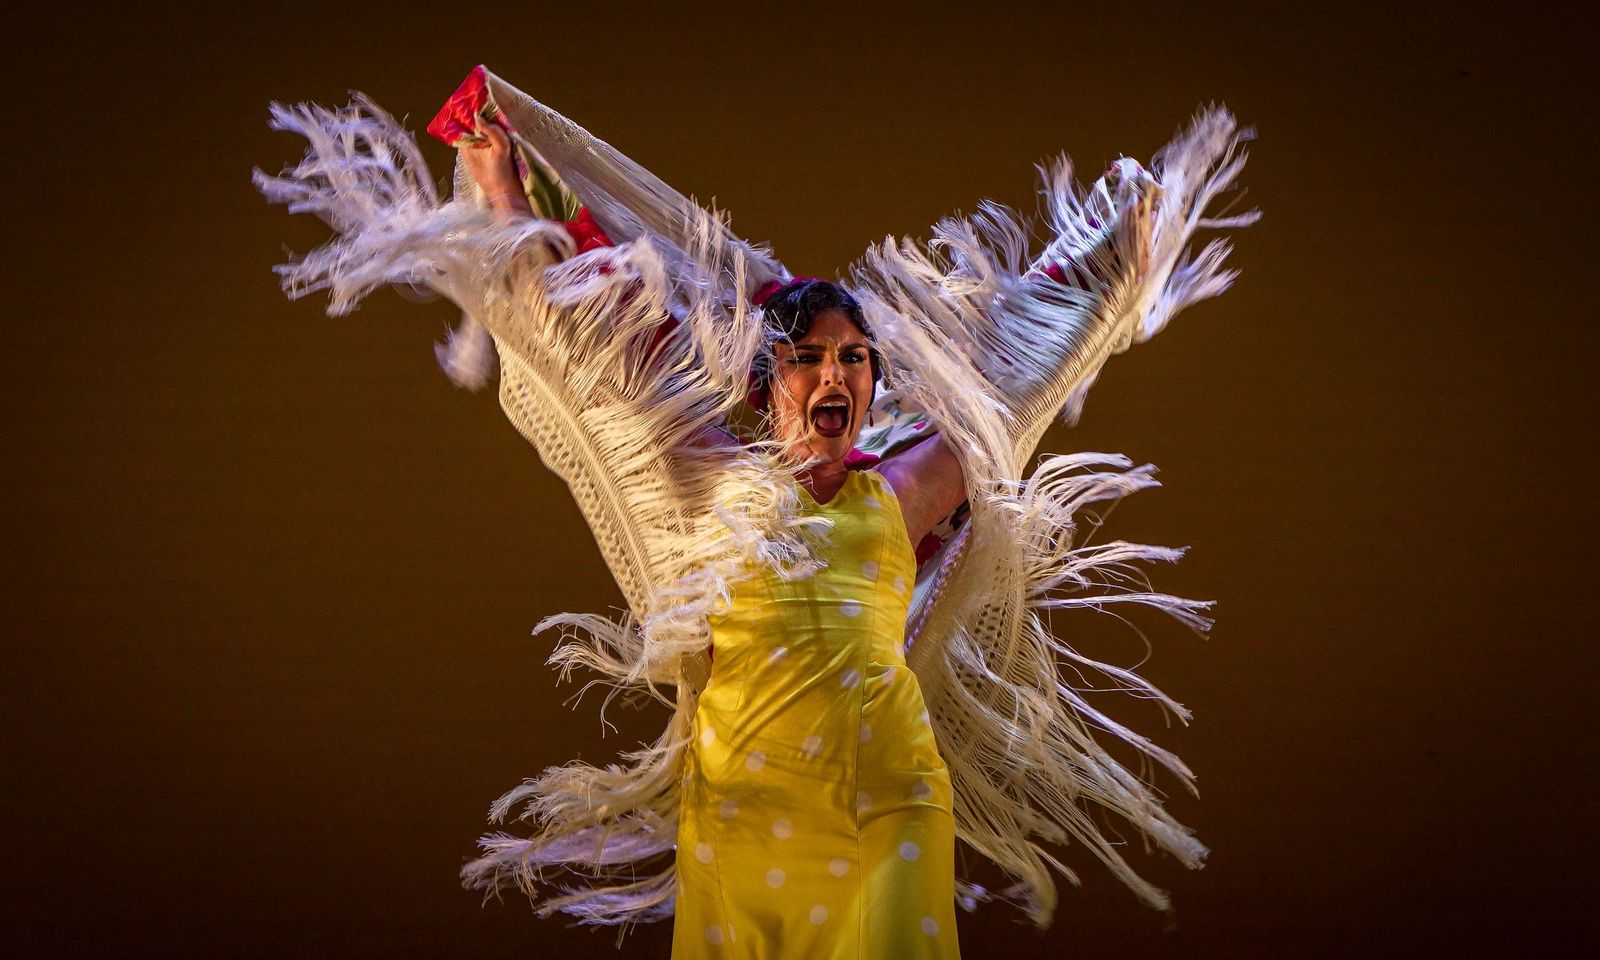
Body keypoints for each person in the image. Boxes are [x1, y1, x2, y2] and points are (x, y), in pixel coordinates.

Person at [257, 65, 1257, 957]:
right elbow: (592, 345)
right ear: (768, 378)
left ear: (871, 383)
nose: (835, 373)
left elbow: (1010, 391)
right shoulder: (705, 475)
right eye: (809, 357)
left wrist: (1111, 272)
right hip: (741, 809)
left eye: (853, 359)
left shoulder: (903, 489)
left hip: (887, 804)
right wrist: (505, 195)